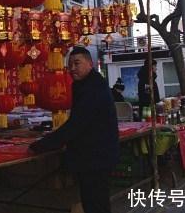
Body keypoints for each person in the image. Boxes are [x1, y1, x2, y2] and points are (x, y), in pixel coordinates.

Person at [28, 46, 119, 213]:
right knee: (94, 201)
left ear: (90, 64)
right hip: (92, 156)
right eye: (70, 65)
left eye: (77, 63)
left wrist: (44, 144)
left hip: (96, 156)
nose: (72, 69)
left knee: (95, 203)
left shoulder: (93, 87)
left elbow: (77, 124)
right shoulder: (85, 84)